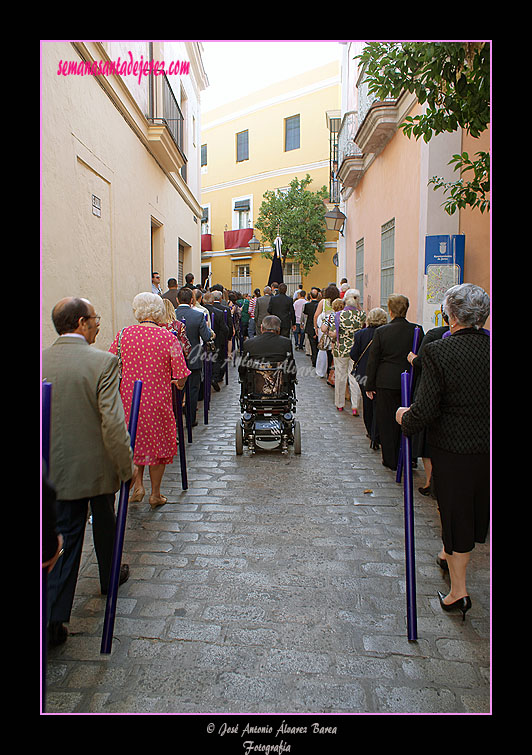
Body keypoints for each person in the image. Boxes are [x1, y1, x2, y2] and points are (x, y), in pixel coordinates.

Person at [42, 297, 135, 646]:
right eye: (95, 318)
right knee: (101, 522)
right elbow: (113, 423)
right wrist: (127, 468)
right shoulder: (103, 363)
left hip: (54, 469)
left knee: (65, 536)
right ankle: (108, 577)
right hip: (96, 468)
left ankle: (54, 616)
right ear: (81, 323)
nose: (98, 324)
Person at [396, 284, 490, 620]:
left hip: (455, 449)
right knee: (476, 514)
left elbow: (425, 409)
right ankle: (448, 556)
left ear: (450, 314)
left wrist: (404, 416)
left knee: (456, 515)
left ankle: (458, 591)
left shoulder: (438, 352)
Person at [109, 292, 190, 507]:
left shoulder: (123, 335)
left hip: (129, 400)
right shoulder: (168, 337)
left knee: (133, 441)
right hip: (158, 401)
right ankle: (155, 493)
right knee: (158, 445)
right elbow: (181, 373)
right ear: (159, 312)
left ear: (137, 311)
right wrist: (178, 385)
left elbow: (110, 364)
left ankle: (138, 487)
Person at [365, 294, 424, 471]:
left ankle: (390, 458)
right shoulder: (417, 330)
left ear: (390, 311)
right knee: (409, 418)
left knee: (387, 421)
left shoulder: (382, 332)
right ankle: (409, 456)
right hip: (409, 380)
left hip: (386, 381)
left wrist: (369, 384)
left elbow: (373, 360)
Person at [407, 307, 450, 495]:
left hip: (433, 395)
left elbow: (423, 362)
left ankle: (430, 481)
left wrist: (412, 358)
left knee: (427, 444)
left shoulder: (434, 337)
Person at [321, 294, 366, 413]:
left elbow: (332, 333)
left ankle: (340, 403)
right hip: (356, 350)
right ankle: (355, 406)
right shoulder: (361, 315)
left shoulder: (338, 315)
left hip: (340, 350)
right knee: (354, 377)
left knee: (341, 376)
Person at [174, 287, 212, 424]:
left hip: (175, 359)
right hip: (194, 357)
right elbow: (206, 336)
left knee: (176, 390)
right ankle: (191, 419)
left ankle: (176, 419)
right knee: (193, 390)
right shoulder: (198, 315)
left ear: (177, 300)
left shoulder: (172, 316)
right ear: (192, 300)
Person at [350, 307, 388, 446]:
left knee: (367, 404)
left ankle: (371, 432)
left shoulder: (360, 334)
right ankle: (378, 432)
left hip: (364, 374)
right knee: (380, 404)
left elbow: (353, 354)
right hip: (381, 373)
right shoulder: (386, 333)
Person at [238, 315, 296, 386]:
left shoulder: (249, 343)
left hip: (255, 386)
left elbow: (242, 367)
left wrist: (243, 378)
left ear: (262, 327)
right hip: (280, 387)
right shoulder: (286, 343)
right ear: (279, 329)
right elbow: (291, 365)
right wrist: (292, 378)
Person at [203, 291, 230, 391]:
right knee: (216, 360)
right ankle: (214, 377)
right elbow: (225, 328)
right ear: (213, 301)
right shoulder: (218, 312)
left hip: (204, 341)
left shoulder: (201, 311)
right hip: (217, 340)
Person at [303, 288, 320, 367]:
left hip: (310, 326)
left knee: (312, 345)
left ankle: (314, 359)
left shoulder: (307, 305)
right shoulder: (320, 304)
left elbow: (305, 313)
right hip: (318, 326)